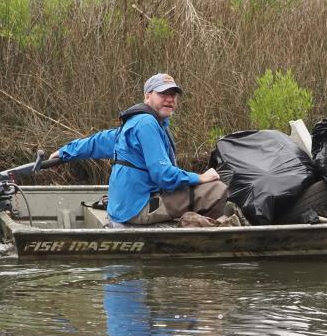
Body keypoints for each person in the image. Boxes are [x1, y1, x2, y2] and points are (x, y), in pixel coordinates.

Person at [49, 73, 232, 226]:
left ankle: (197, 223)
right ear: (147, 96)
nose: (170, 100)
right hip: (138, 210)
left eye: (173, 95)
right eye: (163, 94)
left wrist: (65, 152)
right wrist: (200, 177)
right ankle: (204, 236)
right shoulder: (147, 124)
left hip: (121, 208)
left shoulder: (135, 122)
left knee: (199, 186)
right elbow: (164, 176)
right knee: (215, 189)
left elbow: (97, 142)